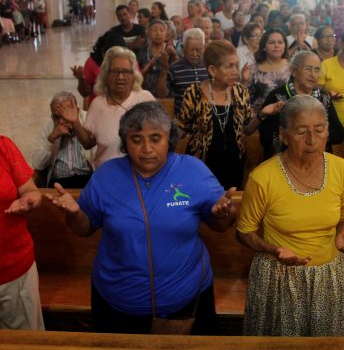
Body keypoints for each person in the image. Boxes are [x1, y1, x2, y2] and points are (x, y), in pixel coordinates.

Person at [46, 101, 237, 335]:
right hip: (116, 303)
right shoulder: (106, 175)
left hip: (186, 300)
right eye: (136, 140)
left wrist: (225, 213)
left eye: (155, 138)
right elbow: (84, 228)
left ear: (169, 139)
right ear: (125, 142)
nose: (146, 148)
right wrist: (74, 214)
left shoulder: (193, 171)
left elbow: (222, 224)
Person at [236, 94, 344, 336]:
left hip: (329, 276)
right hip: (279, 278)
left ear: (328, 131)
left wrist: (343, 233)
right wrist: (274, 249)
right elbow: (244, 233)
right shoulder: (263, 178)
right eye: (301, 131)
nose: (312, 140)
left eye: (319, 130)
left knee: (325, 343)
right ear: (284, 135)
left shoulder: (340, 169)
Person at [178, 40, 262, 190]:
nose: (235, 71)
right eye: (229, 66)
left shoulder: (240, 91)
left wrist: (262, 115)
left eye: (236, 65)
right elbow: (181, 129)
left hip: (233, 164)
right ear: (212, 70)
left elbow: (247, 129)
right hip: (201, 164)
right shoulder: (194, 93)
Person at [58, 46, 154, 169]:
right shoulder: (97, 104)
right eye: (115, 72)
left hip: (139, 171)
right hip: (104, 172)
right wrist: (75, 122)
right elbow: (88, 143)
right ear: (106, 75)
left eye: (125, 72)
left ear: (133, 75)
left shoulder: (145, 99)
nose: (120, 77)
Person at [259, 51, 344, 160]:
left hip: (318, 159)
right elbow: (265, 137)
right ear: (294, 71)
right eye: (308, 69)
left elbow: (339, 134)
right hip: (284, 159)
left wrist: (315, 138)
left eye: (317, 70)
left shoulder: (324, 98)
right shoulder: (277, 96)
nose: (313, 74)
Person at [0, 135, 44, 330]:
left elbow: (30, 191)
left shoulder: (3, 146)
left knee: (25, 339)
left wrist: (27, 200)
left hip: (14, 270)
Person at [32, 92, 92, 188]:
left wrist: (76, 124)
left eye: (65, 115)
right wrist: (51, 139)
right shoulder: (49, 126)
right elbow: (38, 165)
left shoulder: (89, 120)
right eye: (56, 117)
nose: (61, 121)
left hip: (88, 180)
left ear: (77, 111)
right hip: (58, 182)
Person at [71, 30, 126, 106]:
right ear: (103, 52)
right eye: (111, 56)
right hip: (98, 107)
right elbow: (85, 93)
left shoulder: (130, 61)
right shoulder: (92, 62)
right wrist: (81, 79)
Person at [161, 28, 209, 116]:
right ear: (183, 48)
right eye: (191, 50)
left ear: (204, 48)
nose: (195, 54)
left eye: (198, 50)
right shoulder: (174, 69)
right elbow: (162, 93)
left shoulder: (210, 67)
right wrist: (164, 69)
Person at [247, 28, 290, 115]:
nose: (276, 45)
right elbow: (244, 95)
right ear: (264, 47)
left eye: (280, 42)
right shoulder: (253, 68)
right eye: (271, 42)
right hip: (257, 117)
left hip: (286, 116)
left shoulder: (292, 67)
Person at [136, 19, 178, 96]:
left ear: (165, 33)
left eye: (161, 30)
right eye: (154, 30)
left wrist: (174, 55)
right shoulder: (142, 51)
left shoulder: (170, 50)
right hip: (145, 89)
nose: (158, 33)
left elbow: (177, 69)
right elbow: (137, 72)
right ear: (148, 33)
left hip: (166, 90)